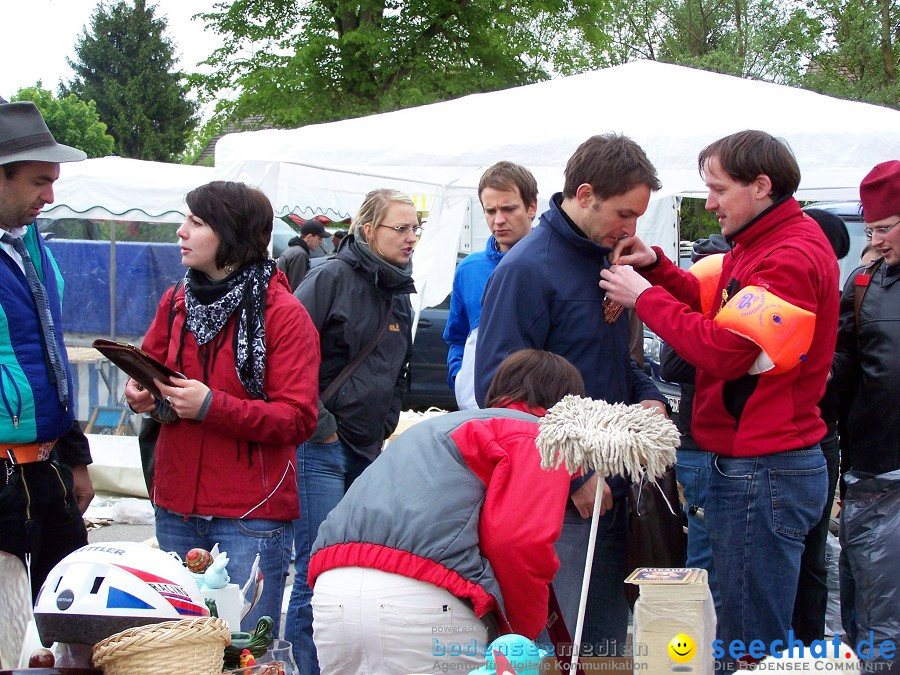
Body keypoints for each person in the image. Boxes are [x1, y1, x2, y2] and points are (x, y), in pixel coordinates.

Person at [599, 130, 837, 663]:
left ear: (761, 185)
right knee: (740, 619)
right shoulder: (763, 243)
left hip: (764, 467)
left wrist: (647, 297)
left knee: (749, 636)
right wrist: (658, 268)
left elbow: (730, 351)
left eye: (717, 189)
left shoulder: (789, 256)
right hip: (756, 463)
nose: (708, 203)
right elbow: (716, 307)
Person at [474, 134, 667, 656]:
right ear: (585, 194)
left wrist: (648, 393)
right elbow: (500, 392)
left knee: (602, 645)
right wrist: (574, 475)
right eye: (624, 214)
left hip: (609, 492)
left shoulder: (607, 258)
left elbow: (615, 359)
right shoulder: (526, 270)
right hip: (557, 502)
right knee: (554, 646)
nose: (631, 229)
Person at [309, 349, 585, 674]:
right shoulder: (539, 435)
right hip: (425, 602)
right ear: (570, 406)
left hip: (333, 593)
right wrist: (519, 634)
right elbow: (518, 542)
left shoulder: (438, 426)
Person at [124, 180, 320, 635]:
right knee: (174, 649)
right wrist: (142, 396)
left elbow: (298, 418)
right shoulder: (176, 302)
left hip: (249, 515)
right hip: (175, 505)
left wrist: (212, 405)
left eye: (196, 222)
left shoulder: (283, 314)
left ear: (230, 235)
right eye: (184, 219)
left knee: (244, 651)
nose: (181, 231)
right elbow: (150, 371)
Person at [286, 188, 418, 674]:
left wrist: (386, 422)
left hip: (366, 446)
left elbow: (399, 369)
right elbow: (286, 354)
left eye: (414, 229)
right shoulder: (331, 278)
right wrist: (320, 426)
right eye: (400, 229)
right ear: (368, 231)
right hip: (320, 446)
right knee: (317, 569)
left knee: (349, 568)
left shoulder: (398, 289)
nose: (411, 238)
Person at [0, 101, 95, 599]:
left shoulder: (29, 239)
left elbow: (52, 357)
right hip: (2, 478)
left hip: (47, 471)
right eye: (39, 181)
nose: (50, 195)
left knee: (73, 623)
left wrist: (75, 459)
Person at [833, 160, 898, 670]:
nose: (876, 240)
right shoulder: (865, 283)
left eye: (883, 228)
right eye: (871, 229)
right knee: (869, 608)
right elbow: (842, 368)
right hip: (873, 471)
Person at [443, 161, 537, 408]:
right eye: (490, 211)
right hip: (481, 408)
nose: (499, 220)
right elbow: (457, 336)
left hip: (540, 411)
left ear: (531, 207)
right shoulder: (469, 269)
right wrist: (461, 377)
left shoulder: (553, 263)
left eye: (508, 209)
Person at [276, 219, 328, 291]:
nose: (321, 242)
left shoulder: (293, 250)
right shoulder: (300, 254)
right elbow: (297, 288)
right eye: (319, 238)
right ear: (309, 237)